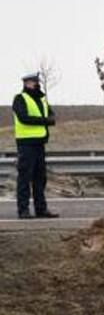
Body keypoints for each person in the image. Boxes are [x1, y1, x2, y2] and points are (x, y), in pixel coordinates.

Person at [12, 72, 57, 219]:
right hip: (26, 143)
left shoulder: (41, 99)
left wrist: (49, 119)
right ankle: (23, 210)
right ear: (26, 83)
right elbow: (24, 118)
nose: (37, 84)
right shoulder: (20, 98)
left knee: (40, 178)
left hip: (39, 143)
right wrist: (45, 121)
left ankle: (41, 209)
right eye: (34, 82)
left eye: (37, 82)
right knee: (25, 178)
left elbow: (51, 115)